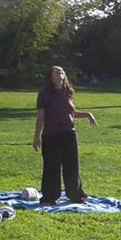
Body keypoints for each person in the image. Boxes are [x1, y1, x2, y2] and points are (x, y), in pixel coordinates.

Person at [33, 66, 97, 204]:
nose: (59, 72)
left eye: (61, 70)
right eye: (56, 71)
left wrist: (87, 114)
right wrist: (37, 136)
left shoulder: (67, 92)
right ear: (50, 76)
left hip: (69, 133)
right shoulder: (44, 93)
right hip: (51, 135)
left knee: (72, 166)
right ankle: (49, 197)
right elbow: (40, 116)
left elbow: (70, 113)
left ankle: (76, 195)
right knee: (52, 167)